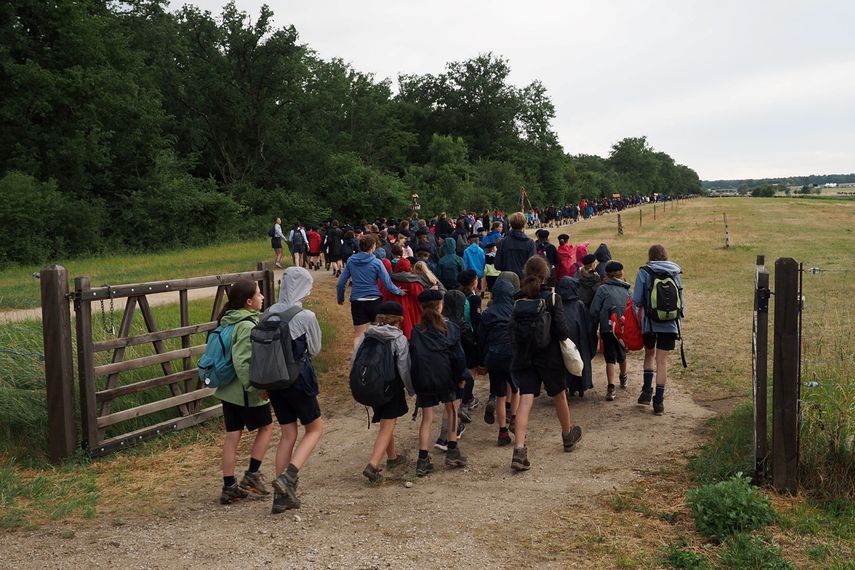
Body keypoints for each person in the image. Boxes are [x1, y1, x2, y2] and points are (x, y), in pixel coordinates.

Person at [509, 256, 582, 471]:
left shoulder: (518, 300)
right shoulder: (552, 298)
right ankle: (567, 435)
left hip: (525, 355)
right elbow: (562, 331)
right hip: (549, 356)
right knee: (559, 395)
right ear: (546, 275)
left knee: (525, 399)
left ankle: (519, 449)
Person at [266, 267, 324, 513]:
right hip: (298, 379)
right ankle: (288, 477)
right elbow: (315, 348)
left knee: (287, 433)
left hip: (274, 381)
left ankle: (280, 498)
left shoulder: (268, 313)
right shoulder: (305, 316)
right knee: (314, 428)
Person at [213, 279, 274, 505]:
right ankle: (252, 475)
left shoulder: (227, 320)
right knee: (266, 427)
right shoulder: (247, 325)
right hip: (244, 391)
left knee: (233, 435)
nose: (262, 297)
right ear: (248, 301)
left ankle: (229, 486)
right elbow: (243, 361)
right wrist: (257, 388)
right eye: (258, 294)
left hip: (227, 390)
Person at [410, 289, 468, 476]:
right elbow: (458, 356)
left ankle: (422, 459)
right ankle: (452, 450)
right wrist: (461, 377)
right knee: (452, 411)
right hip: (446, 377)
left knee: (427, 418)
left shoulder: (417, 330)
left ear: (421, 307)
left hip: (424, 378)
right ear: (440, 306)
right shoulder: (450, 328)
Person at [353, 302, 414, 483]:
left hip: (372, 386)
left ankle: (392, 457)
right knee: (388, 426)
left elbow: (355, 360)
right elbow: (404, 367)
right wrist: (411, 389)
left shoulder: (367, 335)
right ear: (399, 319)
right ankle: (373, 465)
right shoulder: (398, 339)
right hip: (390, 388)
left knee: (386, 424)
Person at [632, 244, 684, 416]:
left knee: (649, 355)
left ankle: (647, 391)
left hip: (650, 323)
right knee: (662, 361)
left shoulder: (644, 272)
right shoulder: (675, 272)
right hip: (670, 324)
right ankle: (659, 402)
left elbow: (637, 300)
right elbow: (681, 301)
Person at [337, 235, 405, 349]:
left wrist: (340, 298)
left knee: (358, 335)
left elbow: (341, 283)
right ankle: (375, 357)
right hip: (374, 300)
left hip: (358, 300)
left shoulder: (351, 261)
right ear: (372, 246)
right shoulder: (377, 262)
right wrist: (399, 291)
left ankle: (357, 358)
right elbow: (387, 283)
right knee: (377, 334)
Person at [478, 278, 520, 446]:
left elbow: (481, 338)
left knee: (500, 395)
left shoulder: (487, 313)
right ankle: (514, 418)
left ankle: (502, 432)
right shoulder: (515, 311)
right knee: (516, 389)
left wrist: (483, 360)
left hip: (494, 356)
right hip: (513, 355)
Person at [589, 261, 631, 402]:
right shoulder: (628, 290)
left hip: (607, 328)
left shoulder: (603, 289)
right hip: (623, 328)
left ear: (607, 274)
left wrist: (595, 324)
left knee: (610, 357)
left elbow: (594, 310)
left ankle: (611, 387)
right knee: (622, 354)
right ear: (621, 273)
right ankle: (623, 377)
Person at [556, 277, 598, 398]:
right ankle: (580, 386)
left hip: (563, 339)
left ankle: (566, 386)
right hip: (580, 340)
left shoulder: (557, 305)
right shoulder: (579, 305)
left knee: (564, 361)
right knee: (579, 359)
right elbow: (589, 325)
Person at [494, 212, 536, 281]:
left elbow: (497, 265)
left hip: (507, 280)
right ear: (524, 224)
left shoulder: (503, 242)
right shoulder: (530, 243)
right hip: (523, 280)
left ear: (510, 224)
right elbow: (533, 266)